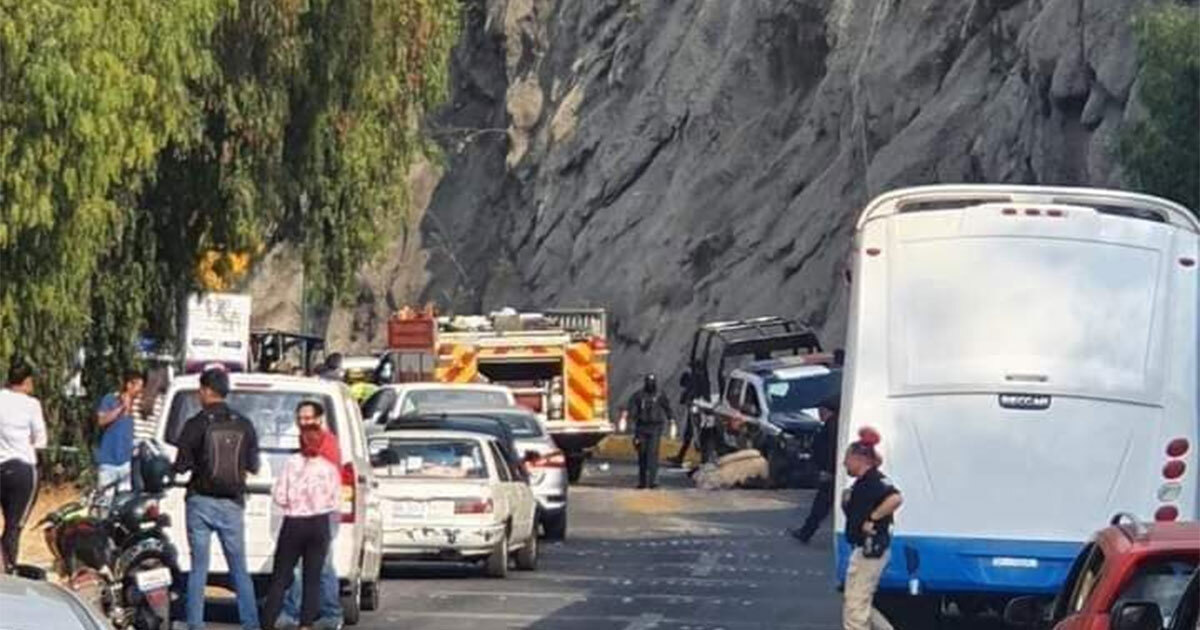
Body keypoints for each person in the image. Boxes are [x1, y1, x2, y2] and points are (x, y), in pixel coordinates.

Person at [172, 367, 261, 630]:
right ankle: (250, 623)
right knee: (239, 568)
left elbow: (181, 465)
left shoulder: (196, 423)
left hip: (199, 501)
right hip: (232, 503)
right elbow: (253, 465)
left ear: (206, 391)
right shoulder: (243, 423)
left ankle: (195, 624)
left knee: (199, 567)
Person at [262, 402, 341, 630]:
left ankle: (267, 622)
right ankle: (306, 624)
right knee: (312, 577)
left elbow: (280, 495)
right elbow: (336, 499)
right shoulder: (328, 467)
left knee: (281, 577)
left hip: (294, 522)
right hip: (319, 523)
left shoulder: (291, 463)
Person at [841, 427, 903, 630]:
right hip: (869, 549)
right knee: (860, 602)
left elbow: (896, 498)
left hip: (870, 550)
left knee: (855, 607)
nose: (844, 463)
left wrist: (872, 518)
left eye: (848, 458)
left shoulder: (872, 482)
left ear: (860, 459)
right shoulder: (868, 481)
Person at [0, 358, 47, 572]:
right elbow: (41, 440)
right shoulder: (31, 405)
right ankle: (8, 567)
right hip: (22, 471)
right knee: (14, 526)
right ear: (26, 381)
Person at [792, 395, 840, 544]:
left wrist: (829, 471)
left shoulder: (833, 426)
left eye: (821, 410)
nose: (819, 413)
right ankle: (806, 532)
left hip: (831, 473)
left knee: (821, 506)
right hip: (831, 472)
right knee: (822, 506)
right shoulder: (832, 424)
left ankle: (806, 532)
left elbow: (831, 450)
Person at [95, 369, 145, 493]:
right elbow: (101, 421)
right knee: (105, 500)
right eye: (138, 386)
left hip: (126, 463)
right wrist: (121, 407)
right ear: (129, 385)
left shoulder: (138, 405)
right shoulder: (110, 399)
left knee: (124, 501)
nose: (140, 391)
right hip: (108, 462)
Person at [624, 374, 673, 489]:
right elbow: (631, 410)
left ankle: (653, 481)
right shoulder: (638, 396)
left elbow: (667, 408)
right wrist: (629, 422)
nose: (651, 384)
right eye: (649, 381)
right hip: (641, 428)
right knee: (642, 454)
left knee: (653, 454)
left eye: (652, 381)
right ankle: (642, 481)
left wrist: (672, 420)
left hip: (655, 428)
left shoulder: (660, 395)